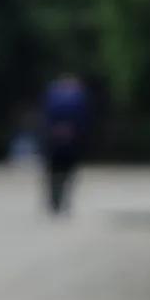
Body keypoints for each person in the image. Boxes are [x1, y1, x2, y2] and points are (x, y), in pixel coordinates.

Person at [36, 72, 92, 217]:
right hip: (67, 138)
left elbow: (45, 117)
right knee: (63, 173)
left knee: (58, 173)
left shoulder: (54, 94)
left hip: (61, 138)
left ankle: (57, 202)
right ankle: (60, 202)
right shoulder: (76, 96)